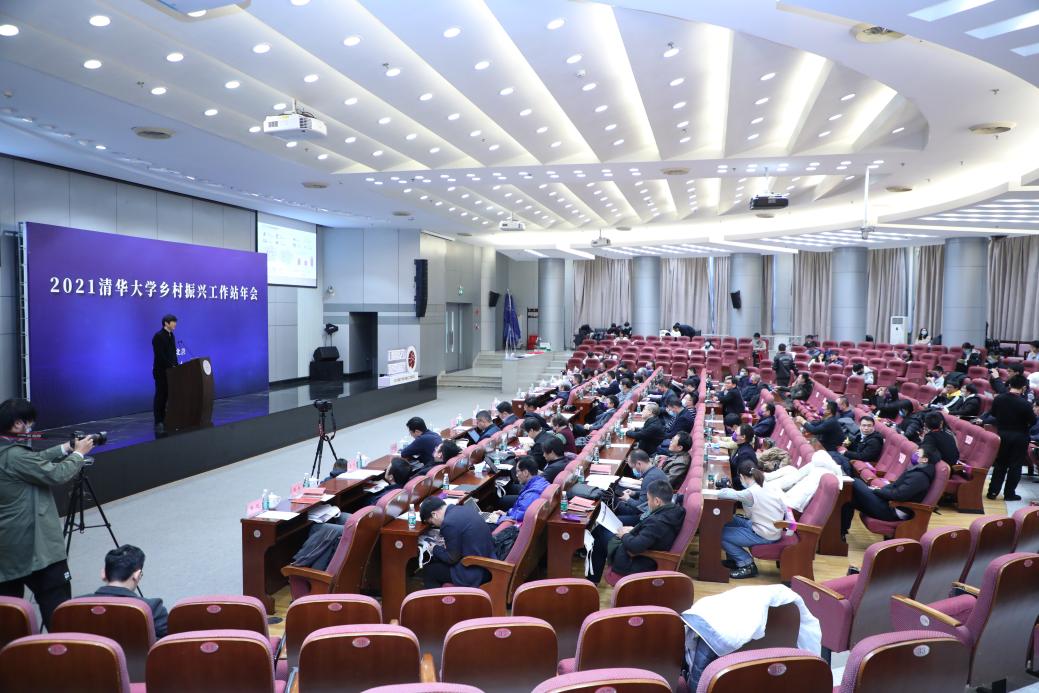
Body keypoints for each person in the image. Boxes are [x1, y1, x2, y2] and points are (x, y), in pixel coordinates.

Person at [0, 399, 95, 629]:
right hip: (36, 547)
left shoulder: (7, 451)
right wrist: (79, 455)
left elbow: (33, 462)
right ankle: (60, 648)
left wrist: (65, 448)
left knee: (9, 614)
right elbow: (56, 474)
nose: (31, 426)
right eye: (29, 422)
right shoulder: (15, 456)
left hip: (8, 547)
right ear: (18, 424)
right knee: (59, 610)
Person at [586, 479, 685, 584]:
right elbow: (649, 534)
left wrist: (624, 535)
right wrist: (633, 530)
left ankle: (591, 582)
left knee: (598, 536)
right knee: (599, 532)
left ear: (657, 501)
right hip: (646, 548)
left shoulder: (657, 522)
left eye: (648, 500)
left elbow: (635, 546)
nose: (648, 503)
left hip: (637, 561)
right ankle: (592, 581)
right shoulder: (674, 510)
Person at [840, 448, 936, 540]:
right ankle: (841, 533)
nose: (914, 455)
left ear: (924, 459)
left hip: (893, 511)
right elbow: (894, 486)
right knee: (848, 498)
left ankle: (840, 534)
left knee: (855, 482)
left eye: (918, 454)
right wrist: (880, 490)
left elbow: (899, 495)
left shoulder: (920, 477)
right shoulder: (917, 471)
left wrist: (877, 491)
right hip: (889, 504)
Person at [717, 460, 786, 579]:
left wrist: (725, 487)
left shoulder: (750, 493)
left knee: (719, 534)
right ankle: (735, 558)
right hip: (769, 528)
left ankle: (747, 565)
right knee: (728, 520)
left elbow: (722, 494)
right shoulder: (765, 483)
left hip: (764, 534)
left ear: (741, 476)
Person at [84, 545, 168, 639]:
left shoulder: (75, 605)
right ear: (137, 575)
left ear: (103, 573)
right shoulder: (152, 609)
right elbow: (167, 645)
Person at [419, 496, 496, 588]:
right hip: (488, 563)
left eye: (431, 523)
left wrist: (434, 548)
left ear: (434, 514)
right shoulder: (464, 509)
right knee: (437, 559)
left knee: (429, 571)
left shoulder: (449, 523)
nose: (434, 525)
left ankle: (440, 597)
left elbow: (451, 559)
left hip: (474, 570)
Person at [983, 375, 1036, 501]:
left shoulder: (999, 399)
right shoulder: (1025, 404)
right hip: (1019, 436)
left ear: (1010, 385)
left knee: (1000, 464)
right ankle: (1009, 494)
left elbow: (993, 414)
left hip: (1002, 435)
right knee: (1015, 466)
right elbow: (1033, 421)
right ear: (1024, 387)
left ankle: (993, 492)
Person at [614, 450, 669, 525]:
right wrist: (634, 493)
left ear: (639, 464)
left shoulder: (649, 478)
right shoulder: (657, 471)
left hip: (648, 516)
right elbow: (648, 492)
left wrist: (627, 499)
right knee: (619, 492)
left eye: (633, 467)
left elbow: (640, 507)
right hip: (655, 509)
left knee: (615, 501)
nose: (633, 470)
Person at [492, 457, 549, 522]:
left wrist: (498, 518)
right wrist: (507, 513)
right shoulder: (541, 481)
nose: (516, 475)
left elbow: (518, 518)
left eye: (517, 471)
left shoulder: (531, 494)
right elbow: (520, 511)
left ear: (525, 472)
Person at [151, 313, 178, 433]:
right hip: (161, 372)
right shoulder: (158, 336)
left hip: (171, 372)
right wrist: (171, 366)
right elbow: (160, 356)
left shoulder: (171, 335)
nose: (175, 324)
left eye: (175, 322)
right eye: (173, 322)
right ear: (166, 323)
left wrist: (176, 367)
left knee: (168, 395)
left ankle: (166, 417)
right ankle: (158, 420)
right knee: (160, 396)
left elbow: (173, 354)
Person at [729, 424, 759, 491]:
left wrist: (729, 481)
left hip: (739, 488)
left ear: (743, 437)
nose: (734, 434)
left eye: (736, 433)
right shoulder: (741, 446)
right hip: (733, 478)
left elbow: (743, 477)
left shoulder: (745, 454)